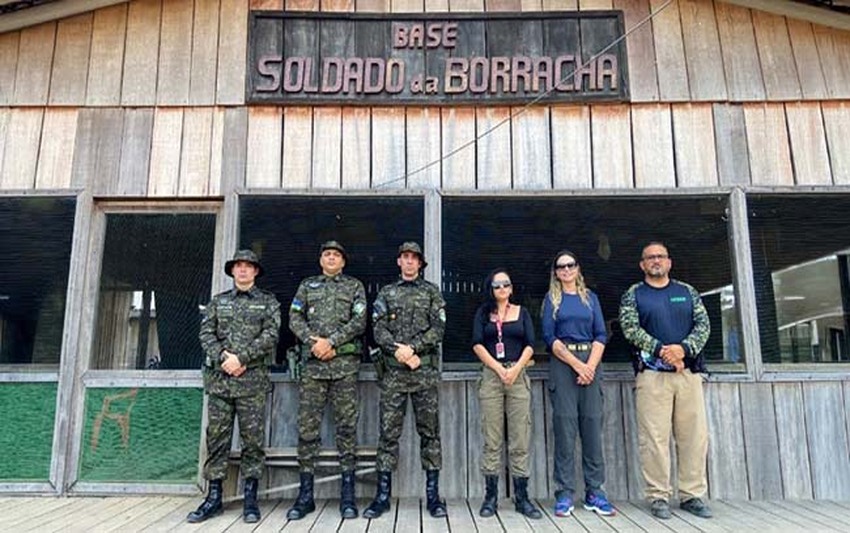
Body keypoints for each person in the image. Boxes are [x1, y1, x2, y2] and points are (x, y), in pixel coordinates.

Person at [619, 242, 712, 520]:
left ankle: (691, 495)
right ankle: (658, 495)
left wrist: (684, 349)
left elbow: (703, 326)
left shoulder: (687, 292)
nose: (656, 261)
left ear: (669, 262)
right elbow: (630, 329)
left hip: (687, 375)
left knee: (694, 436)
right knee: (654, 438)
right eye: (650, 258)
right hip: (652, 376)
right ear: (642, 265)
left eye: (660, 257)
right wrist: (662, 350)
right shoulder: (634, 295)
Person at [189, 249, 281, 524]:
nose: (243, 270)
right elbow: (206, 333)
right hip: (221, 382)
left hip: (251, 382)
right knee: (217, 439)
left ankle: (250, 498)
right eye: (238, 266)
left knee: (252, 441)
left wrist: (242, 358)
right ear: (232, 271)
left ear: (255, 272)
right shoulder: (218, 302)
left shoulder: (267, 302)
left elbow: (271, 334)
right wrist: (223, 358)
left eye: (248, 266)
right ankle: (214, 497)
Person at [364, 241, 448, 519]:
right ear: (399, 261)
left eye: (414, 258)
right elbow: (378, 328)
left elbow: (438, 328)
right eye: (405, 257)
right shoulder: (386, 293)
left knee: (430, 435)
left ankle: (433, 497)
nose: (410, 261)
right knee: (388, 435)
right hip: (394, 376)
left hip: (424, 375)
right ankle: (382, 497)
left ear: (420, 264)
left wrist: (414, 349)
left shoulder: (432, 292)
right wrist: (398, 351)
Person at [286, 241, 367, 520]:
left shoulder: (354, 287)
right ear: (321, 260)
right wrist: (315, 343)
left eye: (336, 255)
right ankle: (305, 496)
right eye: (327, 254)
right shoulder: (307, 286)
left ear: (343, 262)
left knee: (347, 428)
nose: (331, 258)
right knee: (307, 429)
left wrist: (331, 342)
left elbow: (359, 321)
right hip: (313, 368)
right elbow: (294, 318)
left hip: (344, 367)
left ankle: (348, 495)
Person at [541, 250, 615, 517]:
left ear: (578, 268)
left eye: (570, 265)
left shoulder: (590, 298)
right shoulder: (552, 300)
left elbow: (601, 334)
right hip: (564, 364)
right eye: (561, 266)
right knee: (565, 428)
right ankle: (564, 493)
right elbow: (549, 337)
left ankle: (595, 492)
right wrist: (577, 365)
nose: (566, 270)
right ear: (556, 272)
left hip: (590, 362)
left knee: (592, 427)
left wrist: (590, 366)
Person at [472, 269, 542, 519]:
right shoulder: (483, 313)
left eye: (505, 284)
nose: (501, 288)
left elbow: (531, 344)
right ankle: (490, 497)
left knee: (519, 437)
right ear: (490, 289)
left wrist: (515, 369)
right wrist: (499, 369)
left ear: (511, 288)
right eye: (496, 285)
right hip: (492, 376)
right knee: (492, 438)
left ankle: (522, 497)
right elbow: (477, 344)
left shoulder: (522, 313)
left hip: (518, 375)